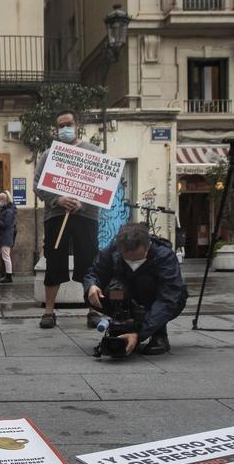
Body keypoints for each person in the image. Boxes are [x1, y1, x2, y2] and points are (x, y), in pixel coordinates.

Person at [35, 109, 101, 329]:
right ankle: (49, 311)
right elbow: (38, 185)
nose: (64, 129)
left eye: (68, 124)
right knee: (53, 260)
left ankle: (94, 310)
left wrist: (83, 204)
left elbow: (102, 187)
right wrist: (57, 199)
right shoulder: (48, 155)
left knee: (89, 260)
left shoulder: (93, 151)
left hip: (86, 217)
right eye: (60, 126)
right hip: (55, 216)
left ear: (77, 124)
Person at [83, 222, 187, 355]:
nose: (132, 261)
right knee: (103, 292)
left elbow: (167, 299)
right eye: (127, 257)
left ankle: (159, 334)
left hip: (156, 298)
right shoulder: (112, 250)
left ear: (147, 246)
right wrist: (92, 285)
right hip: (127, 296)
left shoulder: (164, 256)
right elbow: (94, 273)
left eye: (137, 258)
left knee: (160, 294)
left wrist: (139, 335)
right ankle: (122, 325)